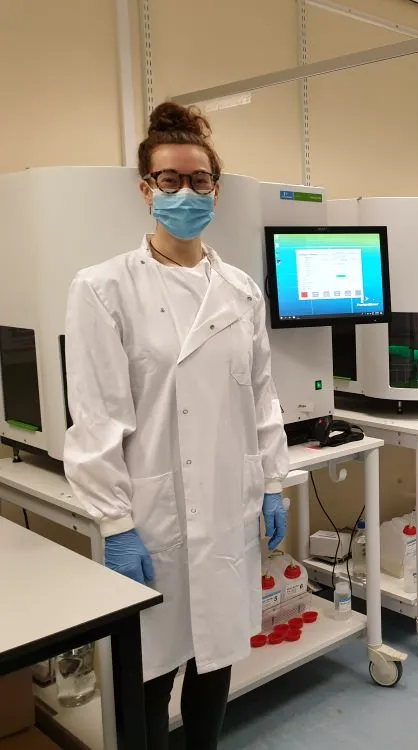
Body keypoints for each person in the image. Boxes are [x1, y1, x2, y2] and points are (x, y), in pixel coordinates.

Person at [63, 102, 289, 750]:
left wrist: (273, 481)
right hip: (151, 515)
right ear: (146, 190)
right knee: (148, 679)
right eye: (170, 180)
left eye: (199, 181)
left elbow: (263, 397)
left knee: (215, 659)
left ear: (216, 189)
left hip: (225, 505)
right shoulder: (104, 288)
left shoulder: (243, 290)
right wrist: (114, 522)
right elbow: (98, 416)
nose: (185, 193)